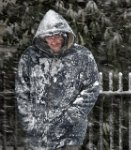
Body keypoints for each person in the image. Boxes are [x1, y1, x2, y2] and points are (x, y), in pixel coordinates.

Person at [15, 9, 100, 150]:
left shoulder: (82, 56)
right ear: (43, 37)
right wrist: (29, 123)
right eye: (49, 36)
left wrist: (71, 116)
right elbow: (22, 91)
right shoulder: (30, 57)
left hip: (70, 134)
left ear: (64, 35)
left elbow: (92, 87)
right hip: (40, 134)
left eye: (57, 36)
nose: (54, 41)